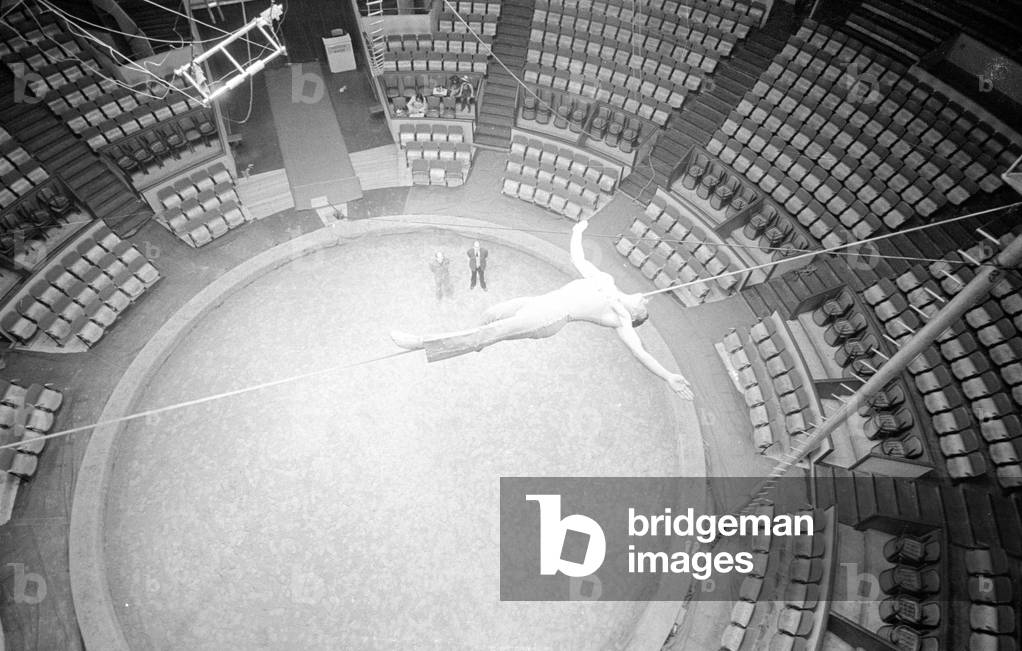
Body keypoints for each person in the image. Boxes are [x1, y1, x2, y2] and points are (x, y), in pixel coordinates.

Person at [391, 220, 694, 398]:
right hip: (541, 301)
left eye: (645, 307)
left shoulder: (621, 317)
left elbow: (640, 352)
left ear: (637, 315)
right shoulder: (607, 280)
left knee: (493, 329)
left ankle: (421, 344)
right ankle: (480, 340)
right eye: (646, 301)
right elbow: (578, 258)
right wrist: (578, 231)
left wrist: (668, 376)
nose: (645, 300)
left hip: (551, 317)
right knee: (493, 314)